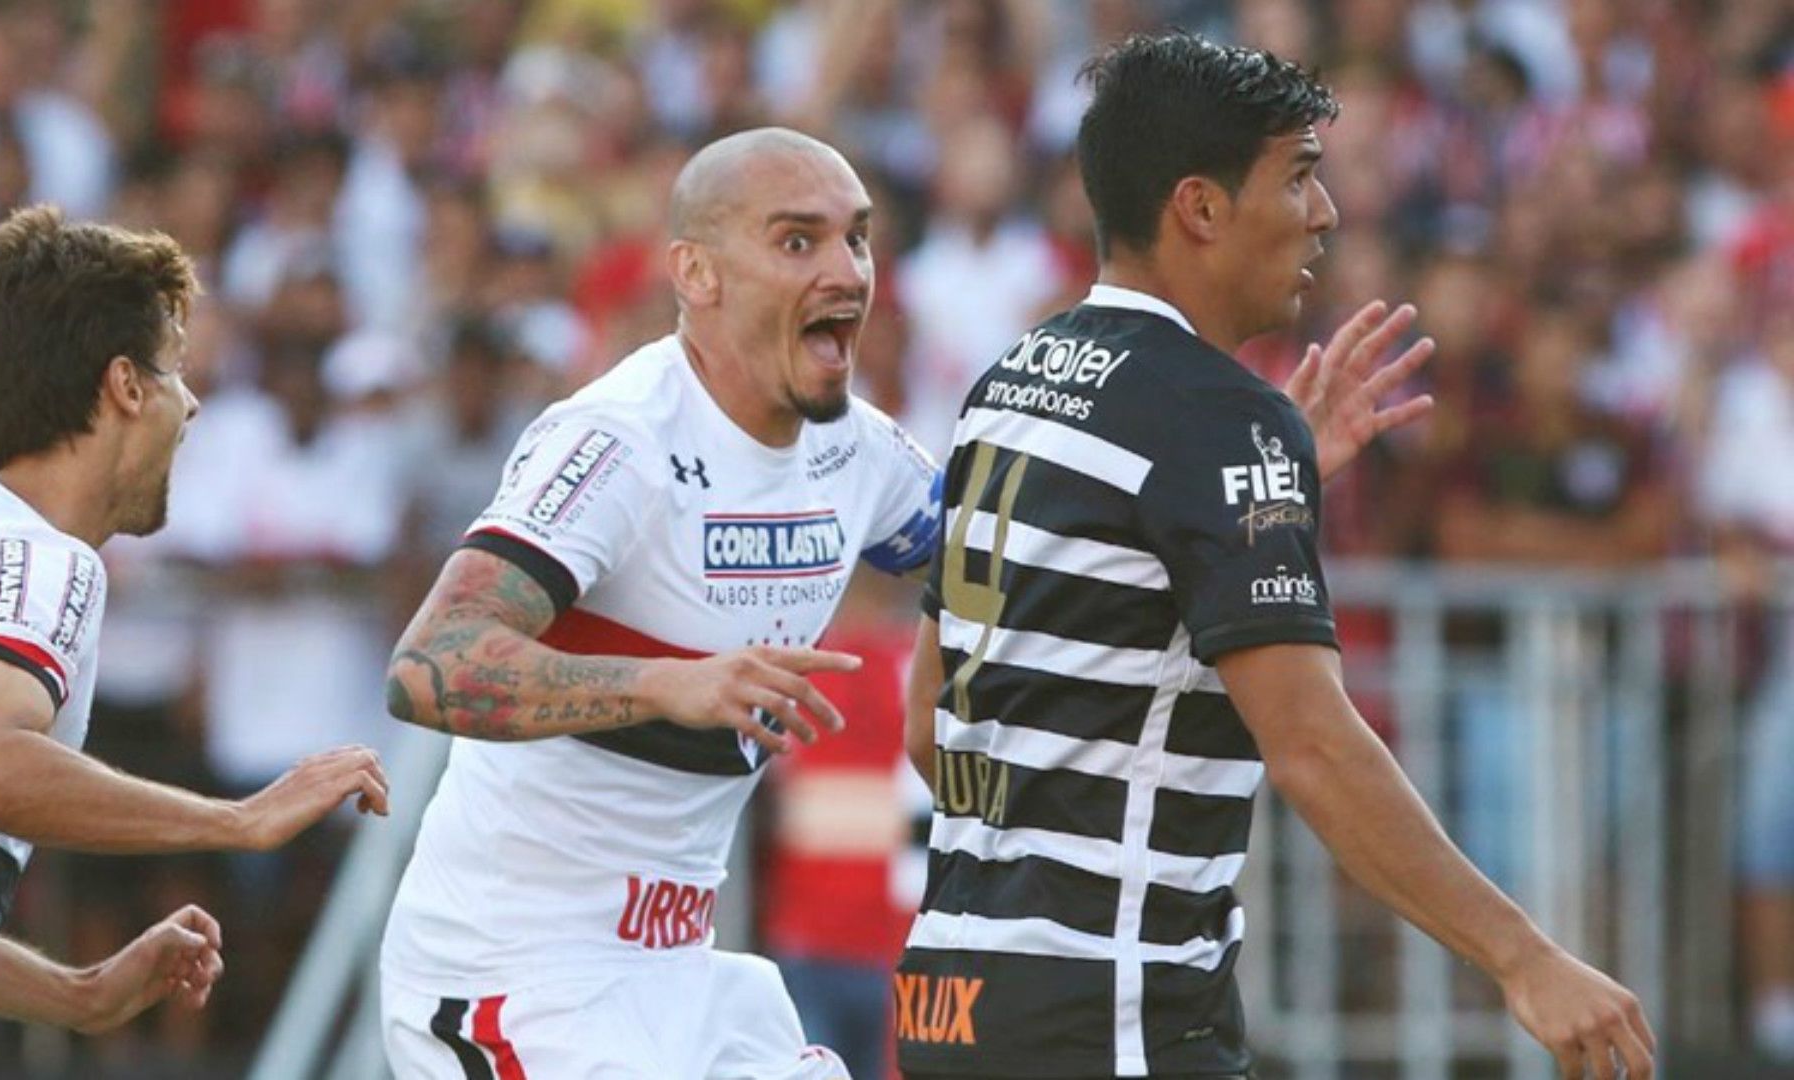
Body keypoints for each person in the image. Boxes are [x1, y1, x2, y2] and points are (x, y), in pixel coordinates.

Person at [895, 32, 1655, 1080]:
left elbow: (927, 716)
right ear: (1201, 208)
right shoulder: (1212, 421)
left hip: (955, 1001)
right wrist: (1524, 958)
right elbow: (1314, 747)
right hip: (1113, 1013)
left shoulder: (1008, 386)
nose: (1325, 213)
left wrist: (1245, 507)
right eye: (1298, 175)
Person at [377, 127, 941, 1079]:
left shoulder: (859, 451)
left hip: (685, 979)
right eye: (798, 241)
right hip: (518, 980)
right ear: (696, 273)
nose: (846, 272)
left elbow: (1005, 564)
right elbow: (431, 664)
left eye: (858, 238)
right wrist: (662, 685)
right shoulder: (616, 442)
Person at [0, 205, 390, 1078]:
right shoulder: (41, 559)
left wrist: (81, 995)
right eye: (175, 370)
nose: (189, 405)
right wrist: (240, 820)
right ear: (123, 385)